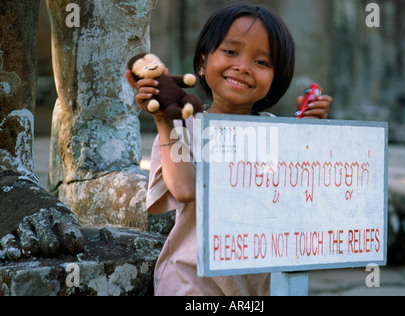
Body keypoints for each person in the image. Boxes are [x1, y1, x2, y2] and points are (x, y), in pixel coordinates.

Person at [126, 3, 333, 296]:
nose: (243, 67)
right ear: (202, 63)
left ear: (277, 78)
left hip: (256, 288)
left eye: (262, 62)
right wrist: (163, 120)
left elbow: (301, 198)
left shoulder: (276, 133)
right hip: (191, 285)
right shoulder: (183, 127)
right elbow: (186, 190)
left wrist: (311, 136)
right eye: (231, 52)